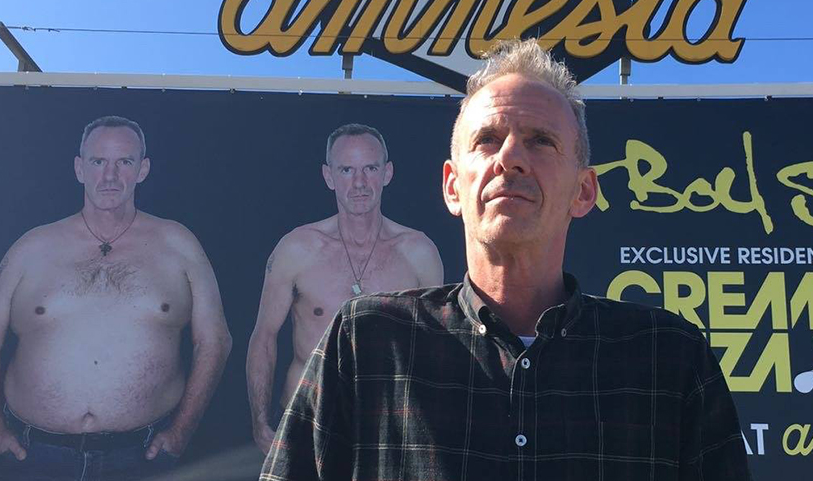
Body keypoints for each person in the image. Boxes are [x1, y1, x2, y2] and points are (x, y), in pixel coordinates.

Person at [261, 40, 751, 480]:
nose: (510, 157)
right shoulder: (366, 342)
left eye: (541, 140)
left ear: (584, 191)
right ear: (453, 187)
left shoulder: (668, 359)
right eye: (487, 140)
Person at [0, 115, 233, 480]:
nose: (110, 176)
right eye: (98, 161)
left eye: (124, 162)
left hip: (142, 458)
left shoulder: (179, 245)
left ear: (142, 169)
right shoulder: (32, 247)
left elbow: (215, 341)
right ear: (79, 168)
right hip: (32, 456)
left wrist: (181, 431)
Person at [246, 123, 444, 452]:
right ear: (329, 176)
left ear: (387, 173)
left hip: (386, 430)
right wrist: (260, 423)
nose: (360, 183)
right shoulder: (297, 249)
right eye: (347, 170)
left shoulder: (418, 253)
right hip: (306, 421)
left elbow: (434, 348)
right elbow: (264, 336)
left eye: (370, 169)